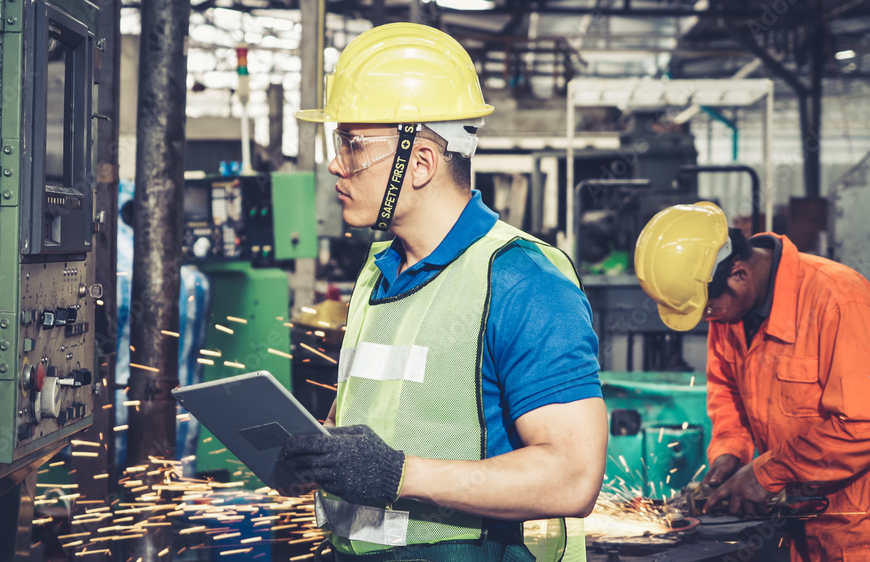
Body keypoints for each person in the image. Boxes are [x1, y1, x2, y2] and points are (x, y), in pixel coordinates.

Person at [281, 22, 608, 561]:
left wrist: (399, 474)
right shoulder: (377, 272)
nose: (336, 164)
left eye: (353, 145)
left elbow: (573, 476)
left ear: (423, 163)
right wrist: (322, 451)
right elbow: (387, 417)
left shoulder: (521, 281)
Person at [634, 202, 870, 561]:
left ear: (739, 274)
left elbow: (861, 424)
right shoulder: (729, 314)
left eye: (707, 309)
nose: (706, 319)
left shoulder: (838, 300)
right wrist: (730, 453)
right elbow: (727, 392)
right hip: (799, 526)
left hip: (856, 531)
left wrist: (766, 474)